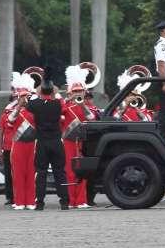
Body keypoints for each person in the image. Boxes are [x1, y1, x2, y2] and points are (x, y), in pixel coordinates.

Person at [26, 69, 70, 210]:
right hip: (56, 142)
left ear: (41, 92)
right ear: (51, 92)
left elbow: (29, 102)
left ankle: (40, 203)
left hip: (42, 143)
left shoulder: (35, 105)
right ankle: (64, 201)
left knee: (41, 173)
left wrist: (40, 88)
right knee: (60, 172)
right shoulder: (58, 103)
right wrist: (54, 90)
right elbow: (63, 104)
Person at [62, 65, 97, 208]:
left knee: (83, 171)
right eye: (75, 91)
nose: (78, 93)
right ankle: (71, 200)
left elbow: (92, 118)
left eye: (80, 91)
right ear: (71, 92)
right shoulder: (64, 106)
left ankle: (81, 200)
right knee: (69, 171)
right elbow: (59, 115)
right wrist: (68, 99)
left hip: (82, 142)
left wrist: (82, 105)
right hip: (68, 142)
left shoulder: (85, 107)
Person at [7, 73, 37, 210]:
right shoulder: (13, 110)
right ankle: (19, 201)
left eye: (26, 96)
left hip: (32, 145)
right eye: (22, 96)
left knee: (31, 173)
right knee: (18, 174)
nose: (24, 98)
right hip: (18, 145)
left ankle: (30, 201)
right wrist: (19, 106)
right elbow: (10, 120)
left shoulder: (34, 111)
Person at [0, 90, 17, 206]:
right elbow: (0, 133)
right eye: (15, 98)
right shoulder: (5, 115)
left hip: (22, 147)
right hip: (8, 148)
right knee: (9, 174)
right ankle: (10, 196)